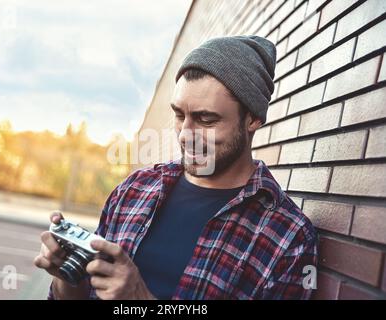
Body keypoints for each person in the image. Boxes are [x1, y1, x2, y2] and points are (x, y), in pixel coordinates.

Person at [34, 35, 318, 300]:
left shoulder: (288, 235)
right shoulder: (135, 190)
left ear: (253, 119)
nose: (185, 135)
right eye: (180, 115)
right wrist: (67, 279)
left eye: (206, 119)